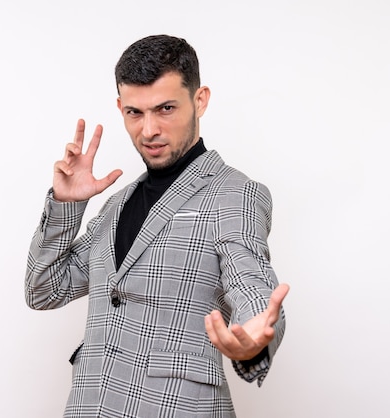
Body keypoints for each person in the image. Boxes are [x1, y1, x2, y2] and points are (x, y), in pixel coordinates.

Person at [25, 34, 289, 418]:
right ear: (120, 107)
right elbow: (43, 289)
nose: (148, 130)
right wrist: (67, 204)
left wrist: (253, 337)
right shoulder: (116, 205)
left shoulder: (235, 194)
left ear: (200, 100)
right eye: (135, 112)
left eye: (165, 108)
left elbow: (251, 279)